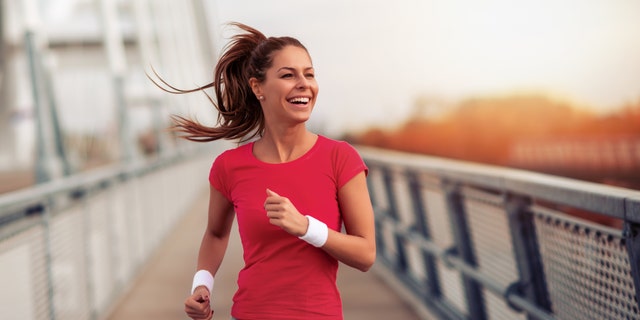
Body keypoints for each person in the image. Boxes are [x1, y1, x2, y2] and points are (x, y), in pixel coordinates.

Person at [152, 22, 376, 320]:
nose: (304, 83)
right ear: (258, 87)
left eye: (309, 74)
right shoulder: (228, 167)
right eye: (288, 75)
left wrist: (306, 227)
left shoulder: (341, 158)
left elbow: (365, 254)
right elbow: (216, 234)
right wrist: (201, 285)